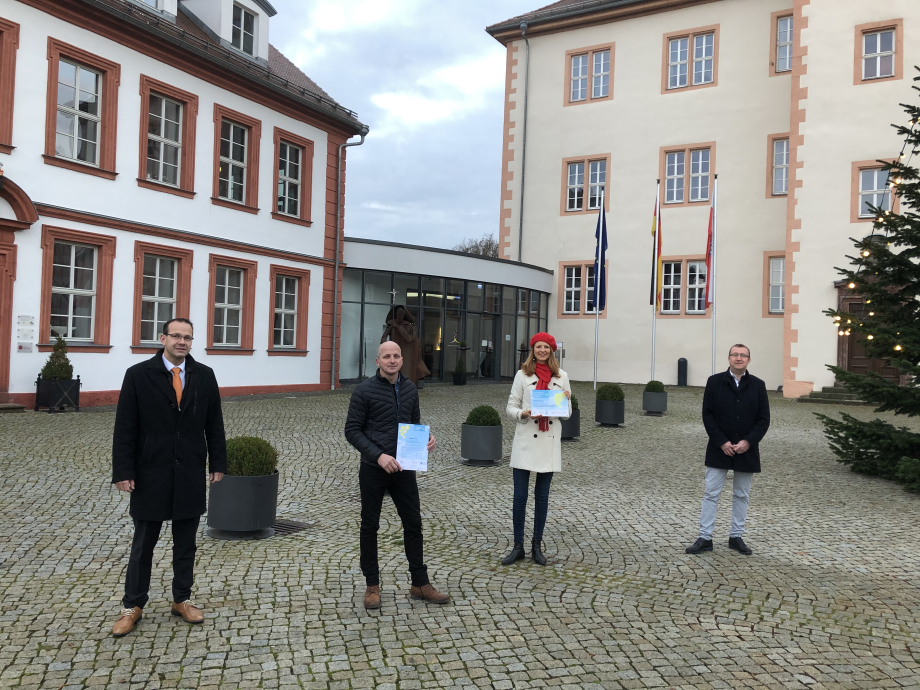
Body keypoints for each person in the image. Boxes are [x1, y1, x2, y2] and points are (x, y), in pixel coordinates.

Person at [110, 318, 227, 637]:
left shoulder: (205, 375)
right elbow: (125, 427)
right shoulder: (138, 375)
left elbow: (214, 423)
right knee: (143, 544)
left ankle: (181, 599)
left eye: (188, 337)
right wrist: (123, 471)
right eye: (176, 335)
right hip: (150, 470)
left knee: (185, 543)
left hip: (189, 469)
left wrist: (218, 462)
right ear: (162, 338)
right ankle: (132, 605)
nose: (182, 341)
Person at [344, 340, 450, 609]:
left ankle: (419, 583)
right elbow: (352, 431)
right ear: (377, 362)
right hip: (374, 469)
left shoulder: (411, 389)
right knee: (370, 526)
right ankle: (372, 585)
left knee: (413, 524)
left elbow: (413, 423)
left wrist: (427, 439)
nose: (392, 360)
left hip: (404, 468)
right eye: (386, 356)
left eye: (396, 356)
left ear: (402, 360)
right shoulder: (363, 391)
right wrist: (378, 456)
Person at [686, 344, 770, 556]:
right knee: (711, 494)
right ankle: (705, 537)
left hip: (747, 449)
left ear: (749, 360)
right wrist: (722, 442)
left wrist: (748, 442)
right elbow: (708, 415)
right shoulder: (714, 382)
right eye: (735, 355)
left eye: (743, 355)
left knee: (742, 495)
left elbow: (763, 419)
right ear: (729, 358)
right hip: (718, 448)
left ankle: (736, 536)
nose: (739, 358)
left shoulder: (758, 385)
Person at [502, 332, 571, 566]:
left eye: (546, 347)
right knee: (520, 497)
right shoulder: (522, 375)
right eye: (538, 346)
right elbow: (510, 406)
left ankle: (536, 546)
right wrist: (523, 413)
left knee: (542, 497)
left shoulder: (562, 376)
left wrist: (565, 402)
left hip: (548, 439)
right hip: (525, 440)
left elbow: (568, 413)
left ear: (552, 350)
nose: (542, 350)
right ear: (533, 349)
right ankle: (518, 546)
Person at [380, 305, 429, 385]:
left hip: (408, 355)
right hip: (395, 353)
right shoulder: (391, 325)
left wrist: (398, 327)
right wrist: (387, 348)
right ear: (395, 314)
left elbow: (409, 339)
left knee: (407, 372)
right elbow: (383, 339)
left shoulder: (410, 327)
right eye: (398, 315)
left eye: (401, 315)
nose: (399, 317)